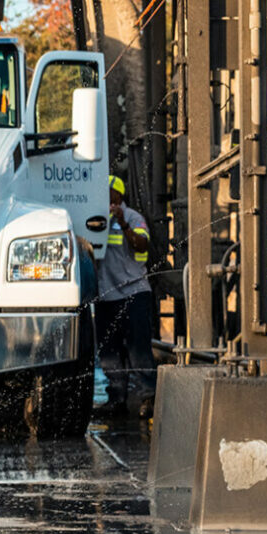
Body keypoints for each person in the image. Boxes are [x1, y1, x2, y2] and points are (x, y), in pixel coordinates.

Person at [95, 174, 159, 417]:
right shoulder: (98, 218)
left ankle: (148, 398)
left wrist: (123, 224)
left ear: (118, 195)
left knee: (138, 350)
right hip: (107, 296)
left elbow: (142, 245)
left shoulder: (132, 217)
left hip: (133, 294)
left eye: (107, 192)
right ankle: (117, 399)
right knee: (109, 352)